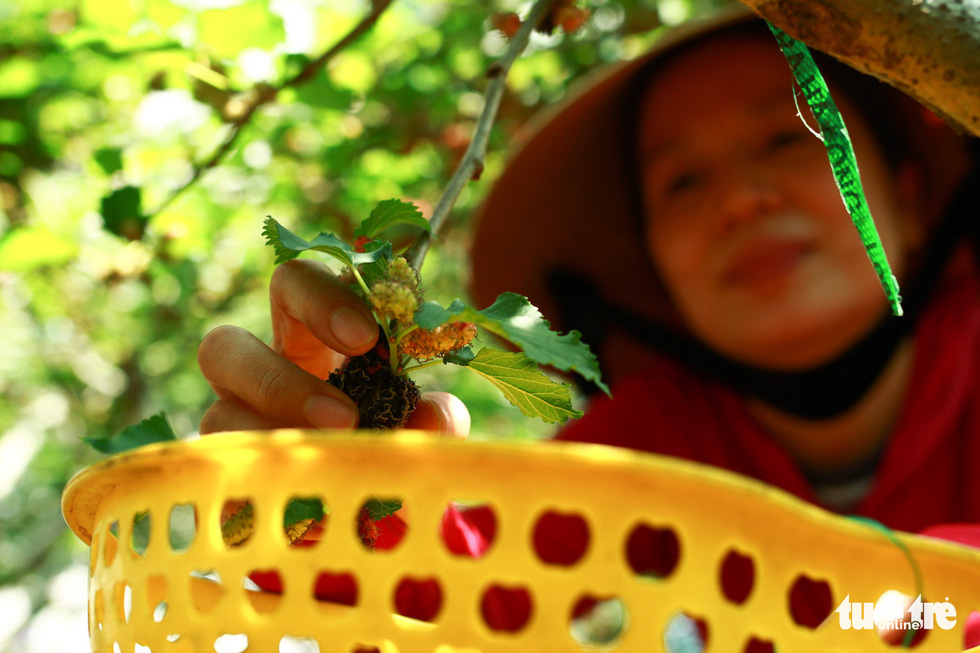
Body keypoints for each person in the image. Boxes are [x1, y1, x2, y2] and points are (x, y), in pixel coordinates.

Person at [197, 4, 980, 643]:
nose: (742, 201)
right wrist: (328, 495)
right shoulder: (660, 441)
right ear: (655, 274)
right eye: (682, 182)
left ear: (910, 196)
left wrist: (896, 602)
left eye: (790, 137)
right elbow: (457, 594)